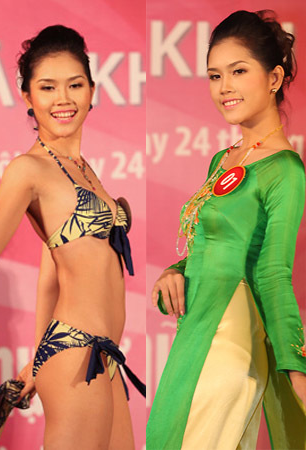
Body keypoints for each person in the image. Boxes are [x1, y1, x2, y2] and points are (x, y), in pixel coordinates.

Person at [147, 10, 306, 449]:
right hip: (195, 333)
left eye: (238, 71)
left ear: (274, 78)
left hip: (231, 342)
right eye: (215, 76)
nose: (224, 88)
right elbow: (212, 246)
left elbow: (273, 272)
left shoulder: (285, 170)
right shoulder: (223, 159)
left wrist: (296, 368)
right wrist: (174, 270)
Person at [0, 25, 144, 449]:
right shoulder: (28, 169)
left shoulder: (83, 169)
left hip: (103, 357)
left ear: (92, 90)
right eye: (47, 87)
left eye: (74, 84)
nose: (63, 98)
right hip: (76, 352)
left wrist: (37, 359)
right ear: (27, 97)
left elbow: (50, 275)